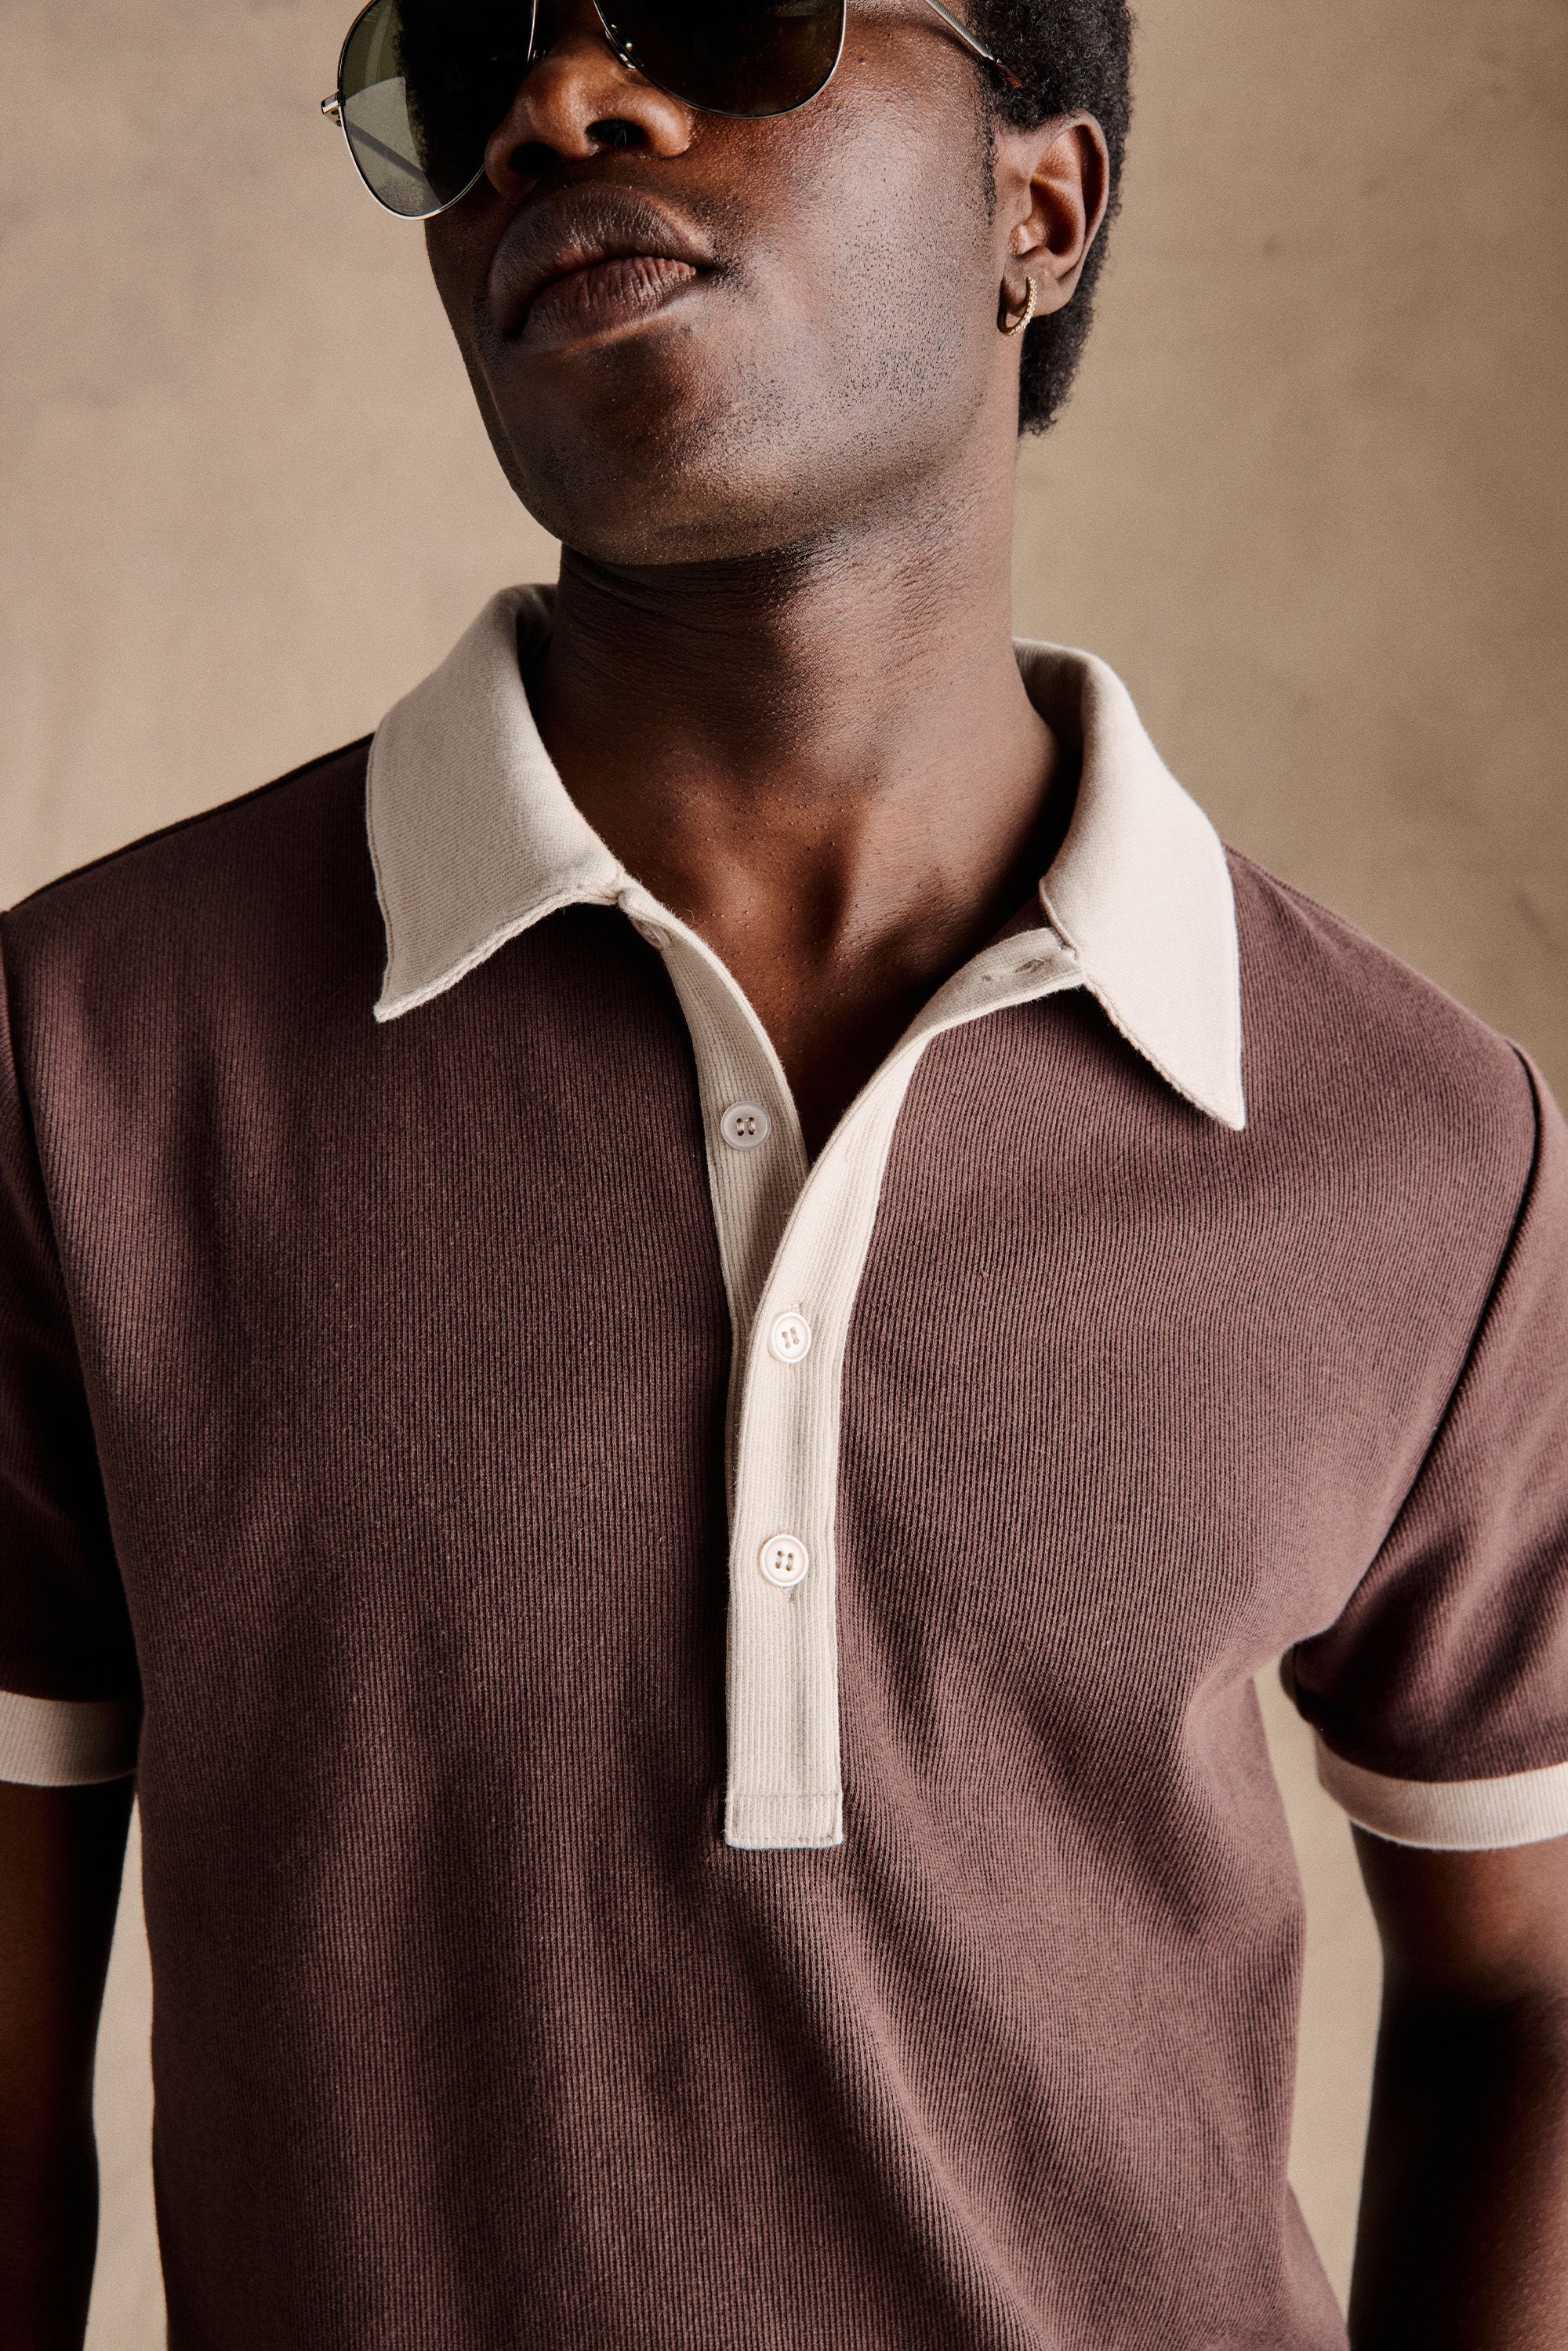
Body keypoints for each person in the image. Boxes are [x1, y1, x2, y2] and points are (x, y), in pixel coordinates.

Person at [2, 0, 1566, 2343]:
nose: (558, 107)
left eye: (728, 7)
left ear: (1041, 208)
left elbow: (1530, 1988)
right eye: (466, 58)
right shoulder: (82, 1052)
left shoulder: (1421, 1141)